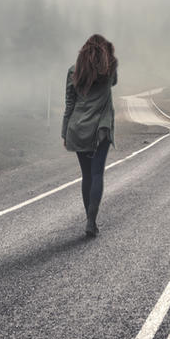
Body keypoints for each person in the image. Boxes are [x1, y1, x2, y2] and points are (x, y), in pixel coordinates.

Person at [61, 34, 118, 237]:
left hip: (77, 129)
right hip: (100, 130)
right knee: (97, 174)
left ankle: (89, 220)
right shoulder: (109, 70)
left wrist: (64, 132)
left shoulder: (73, 71)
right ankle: (91, 221)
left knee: (86, 176)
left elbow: (69, 104)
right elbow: (114, 83)